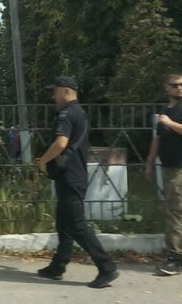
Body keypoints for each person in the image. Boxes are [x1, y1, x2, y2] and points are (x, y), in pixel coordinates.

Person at [35, 76, 119, 289]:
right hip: (73, 175)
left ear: (66, 91)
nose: (53, 95)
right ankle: (58, 266)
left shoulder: (66, 113)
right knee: (64, 221)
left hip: (70, 176)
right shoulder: (78, 112)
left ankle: (106, 267)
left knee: (77, 224)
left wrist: (43, 161)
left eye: (55, 91)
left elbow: (61, 142)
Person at [144, 70, 182, 276]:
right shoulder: (165, 109)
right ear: (166, 87)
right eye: (176, 85)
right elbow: (158, 138)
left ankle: (174, 259)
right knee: (181, 211)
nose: (180, 88)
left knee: (175, 211)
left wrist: (170, 123)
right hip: (170, 166)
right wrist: (150, 162)